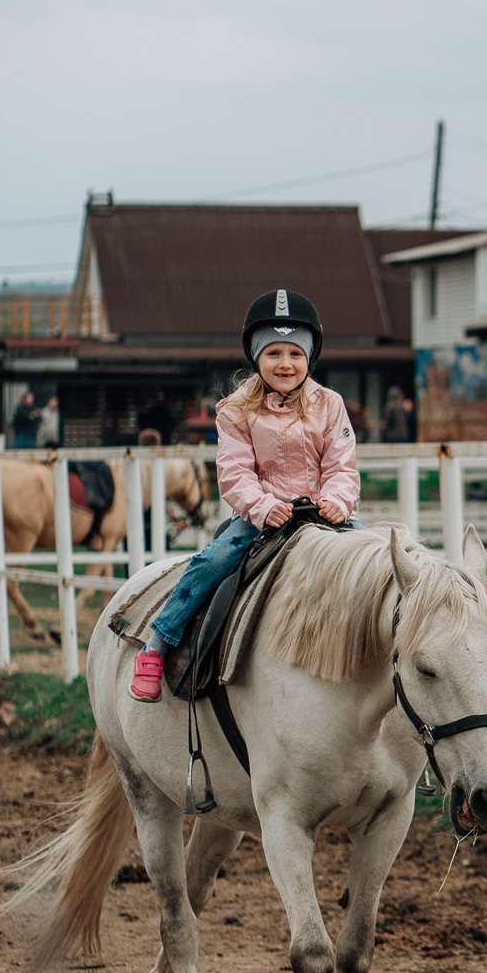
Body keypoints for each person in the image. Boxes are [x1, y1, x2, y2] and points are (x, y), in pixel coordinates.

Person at [129, 289, 357, 702]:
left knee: (374, 559)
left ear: (309, 358)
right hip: (261, 517)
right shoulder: (235, 409)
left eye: (294, 353)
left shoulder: (331, 405)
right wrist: (264, 507)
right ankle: (158, 643)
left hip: (324, 514)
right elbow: (234, 472)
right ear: (256, 357)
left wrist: (338, 502)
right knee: (213, 560)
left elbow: (341, 465)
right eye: (273, 353)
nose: (285, 364)